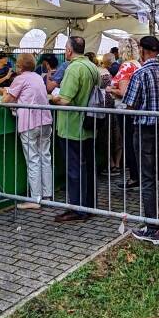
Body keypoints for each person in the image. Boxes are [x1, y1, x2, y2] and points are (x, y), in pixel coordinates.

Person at [123, 35, 159, 245]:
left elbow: (131, 104)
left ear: (142, 50)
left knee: (147, 177)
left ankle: (152, 227)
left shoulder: (140, 73)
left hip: (145, 129)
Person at [50, 35, 101, 222]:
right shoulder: (92, 67)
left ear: (70, 50)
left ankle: (77, 208)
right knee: (87, 167)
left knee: (74, 169)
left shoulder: (74, 69)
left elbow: (65, 100)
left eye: (65, 48)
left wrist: (53, 98)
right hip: (88, 124)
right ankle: (88, 205)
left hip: (72, 126)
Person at [2, 53, 53, 210]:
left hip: (30, 123)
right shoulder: (37, 77)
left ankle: (35, 199)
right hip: (45, 121)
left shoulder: (20, 78)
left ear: (19, 66)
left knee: (33, 160)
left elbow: (6, 101)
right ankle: (47, 195)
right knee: (45, 157)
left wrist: (5, 92)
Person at [107, 37, 142, 190]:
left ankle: (135, 178)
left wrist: (110, 90)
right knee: (134, 144)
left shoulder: (126, 66)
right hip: (135, 110)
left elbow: (123, 92)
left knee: (129, 143)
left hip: (125, 109)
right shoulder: (138, 64)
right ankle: (138, 176)